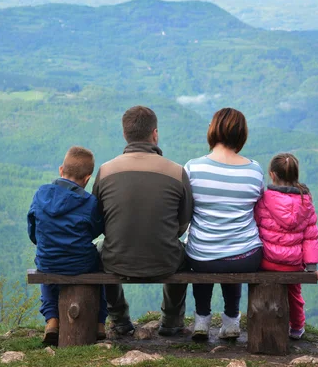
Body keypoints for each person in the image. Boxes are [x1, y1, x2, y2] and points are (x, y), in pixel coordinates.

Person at [92, 105, 193, 336]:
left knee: (98, 252)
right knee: (186, 255)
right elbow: (183, 222)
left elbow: (98, 220)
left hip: (116, 259)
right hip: (166, 259)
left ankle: (119, 319)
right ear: (154, 134)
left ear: (125, 134)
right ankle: (172, 321)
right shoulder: (177, 171)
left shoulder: (105, 171)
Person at [184, 107, 264, 341]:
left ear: (213, 129)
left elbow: (186, 210)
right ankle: (231, 322)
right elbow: (258, 208)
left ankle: (201, 320)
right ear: (242, 134)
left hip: (201, 255)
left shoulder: (193, 168)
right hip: (245, 256)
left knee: (205, 256)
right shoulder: (254, 170)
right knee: (233, 256)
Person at [28, 146, 107, 346]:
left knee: (46, 266)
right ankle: (99, 322)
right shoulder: (89, 202)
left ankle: (52, 319)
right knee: (101, 266)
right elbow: (96, 230)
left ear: (61, 170)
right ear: (87, 178)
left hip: (48, 259)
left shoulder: (41, 194)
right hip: (81, 263)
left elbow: (33, 231)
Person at [254, 153, 318, 340]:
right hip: (293, 263)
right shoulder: (305, 202)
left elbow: (256, 225)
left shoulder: (265, 199)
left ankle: (263, 324)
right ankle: (297, 327)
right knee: (295, 295)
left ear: (272, 175)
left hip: (265, 261)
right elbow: (311, 236)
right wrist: (311, 266)